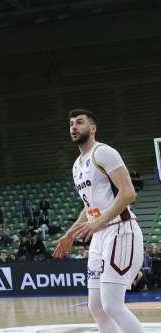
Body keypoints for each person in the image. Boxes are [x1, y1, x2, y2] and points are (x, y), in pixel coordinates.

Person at [53, 109, 145, 333]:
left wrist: (99, 221)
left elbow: (128, 193)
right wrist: (70, 234)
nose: (74, 127)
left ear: (93, 128)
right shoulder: (77, 165)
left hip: (121, 230)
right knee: (96, 307)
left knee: (112, 305)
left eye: (79, 122)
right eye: (71, 124)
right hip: (100, 236)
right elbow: (89, 209)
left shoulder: (103, 152)